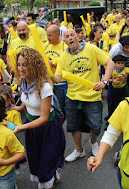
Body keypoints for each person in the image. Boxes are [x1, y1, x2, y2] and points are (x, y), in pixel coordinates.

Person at [52, 28, 114, 162]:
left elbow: (110, 63)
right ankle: (79, 150)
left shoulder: (91, 49)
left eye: (72, 35)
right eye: (67, 36)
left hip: (92, 96)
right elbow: (57, 78)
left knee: (96, 126)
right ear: (64, 40)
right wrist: (47, 74)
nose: (70, 38)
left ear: (77, 36)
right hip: (72, 96)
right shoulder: (63, 57)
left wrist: (104, 82)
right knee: (73, 126)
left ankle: (93, 142)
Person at [11, 48, 65, 188]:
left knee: (47, 158)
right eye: (19, 64)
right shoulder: (23, 83)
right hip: (31, 125)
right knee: (35, 157)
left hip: (47, 127)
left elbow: (44, 118)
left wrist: (21, 127)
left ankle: (48, 181)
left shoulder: (44, 87)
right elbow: (27, 100)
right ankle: (53, 175)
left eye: (25, 64)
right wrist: (18, 108)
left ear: (34, 65)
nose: (21, 68)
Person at [44, 25, 68, 123]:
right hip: (47, 82)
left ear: (58, 34)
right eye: (47, 35)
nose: (48, 38)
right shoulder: (45, 45)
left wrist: (54, 63)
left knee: (60, 110)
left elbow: (68, 64)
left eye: (50, 35)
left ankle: (59, 128)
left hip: (60, 83)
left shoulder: (65, 47)